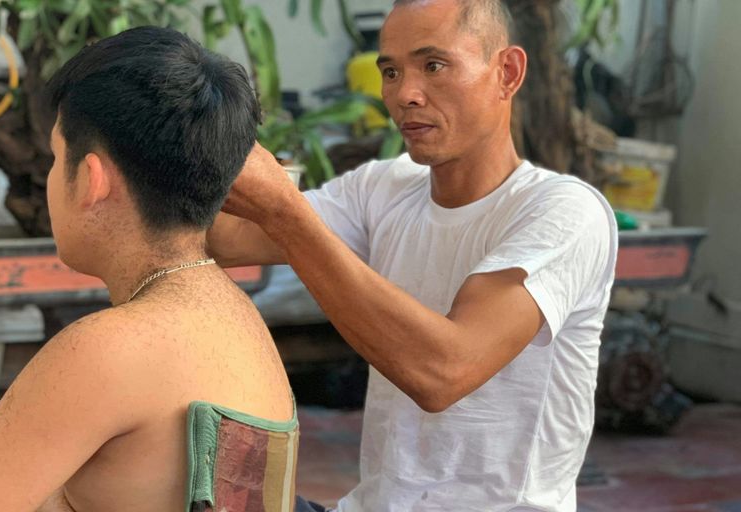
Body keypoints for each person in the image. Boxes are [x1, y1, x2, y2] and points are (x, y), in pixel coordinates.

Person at [0, 27, 296, 512]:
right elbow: (17, 450)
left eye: (55, 157)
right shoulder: (230, 310)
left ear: (91, 179)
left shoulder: (111, 348)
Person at [208, 0, 618, 510]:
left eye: (434, 66)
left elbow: (443, 373)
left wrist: (285, 215)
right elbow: (228, 239)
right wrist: (206, 123)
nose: (406, 94)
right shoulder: (384, 187)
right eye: (391, 71)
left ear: (506, 72)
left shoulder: (562, 212)